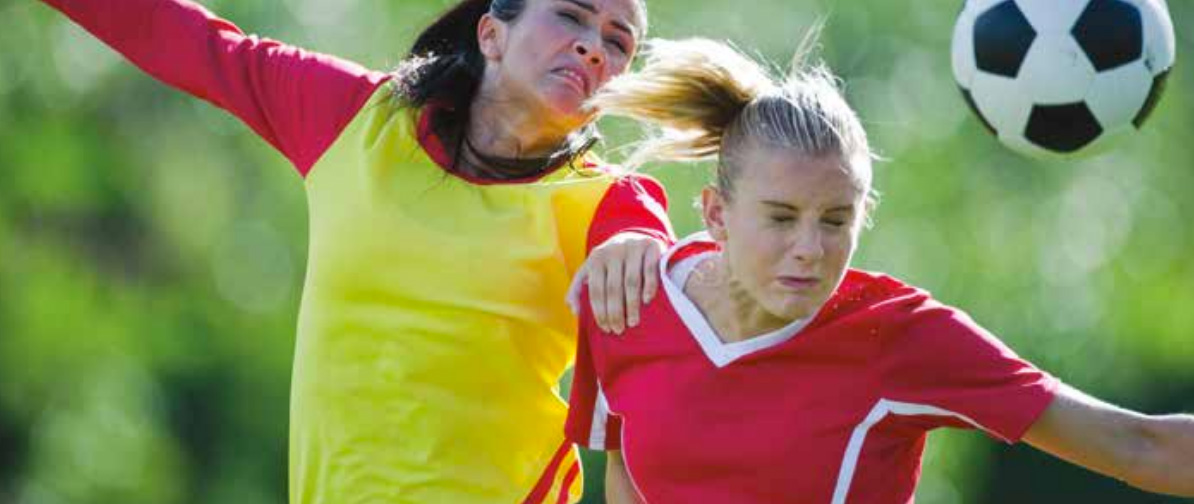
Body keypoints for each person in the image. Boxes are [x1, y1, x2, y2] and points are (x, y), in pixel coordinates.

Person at [38, 0, 675, 502]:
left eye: (619, 41)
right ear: (491, 34)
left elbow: (687, 348)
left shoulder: (613, 204)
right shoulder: (356, 119)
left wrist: (639, 247)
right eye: (570, 15)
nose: (594, 46)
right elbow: (189, 39)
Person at [565, 37, 1194, 503]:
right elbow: (624, 474)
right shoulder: (630, 297)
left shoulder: (902, 337)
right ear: (716, 213)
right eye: (782, 218)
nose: (811, 248)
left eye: (836, 221)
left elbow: (1137, 444)